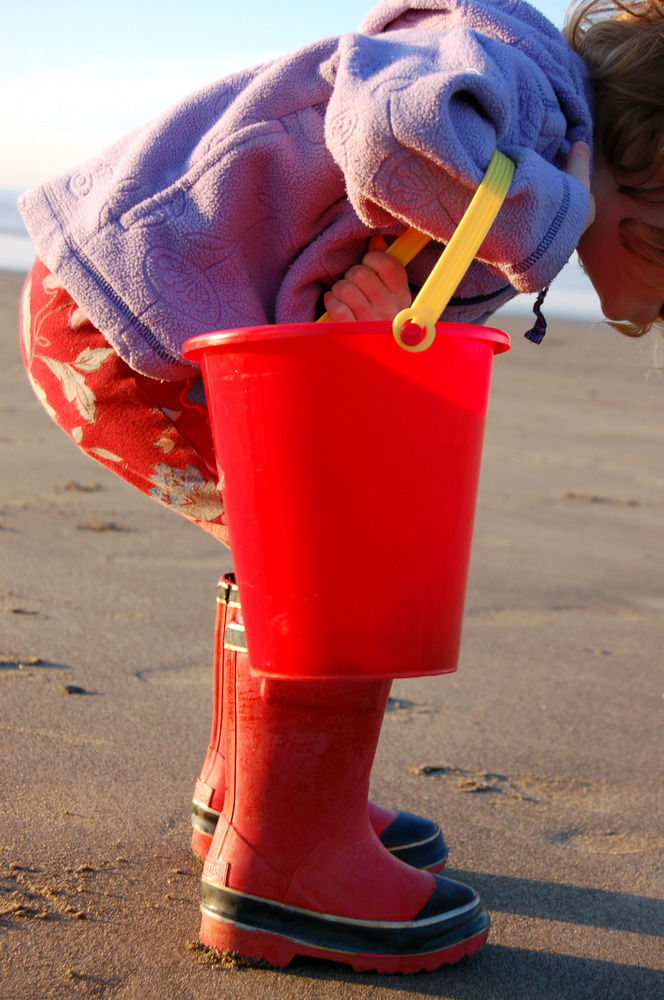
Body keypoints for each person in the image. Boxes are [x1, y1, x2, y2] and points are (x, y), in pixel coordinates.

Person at [17, 0, 664, 974]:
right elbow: (389, 126)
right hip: (127, 323)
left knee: (294, 540)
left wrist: (406, 274)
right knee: (344, 547)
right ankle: (283, 865)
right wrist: (492, 227)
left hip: (132, 309)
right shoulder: (527, 94)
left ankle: (263, 795)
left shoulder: (535, 130)